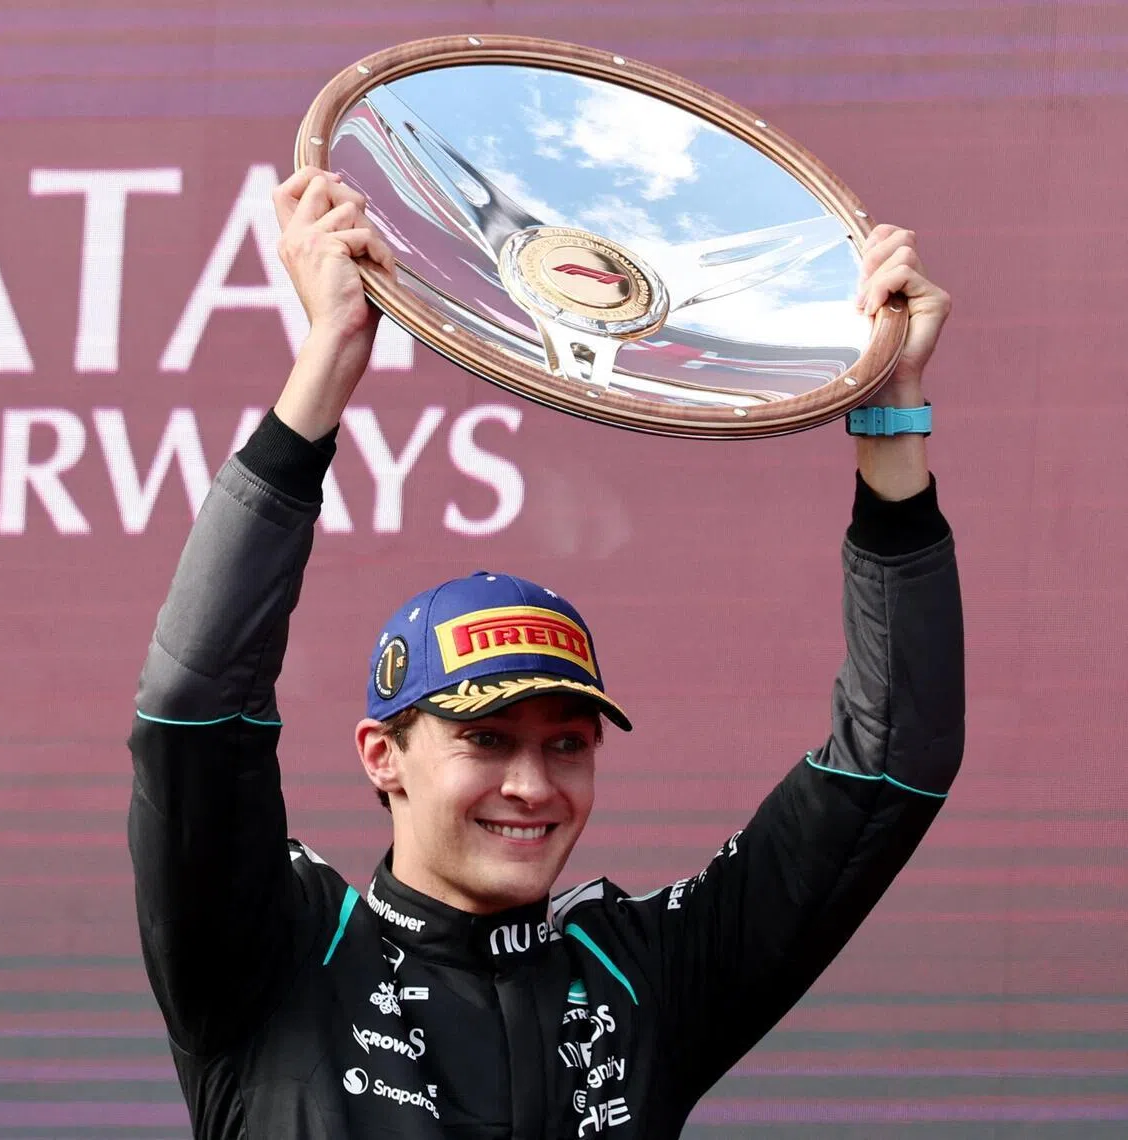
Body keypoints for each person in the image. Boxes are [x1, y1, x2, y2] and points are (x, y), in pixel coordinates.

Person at [128, 168, 964, 1139]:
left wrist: (891, 411)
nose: (532, 783)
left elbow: (894, 758)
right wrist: (329, 359)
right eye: (486, 740)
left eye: (567, 744)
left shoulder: (643, 977)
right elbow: (193, 702)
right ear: (380, 755)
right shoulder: (274, 951)